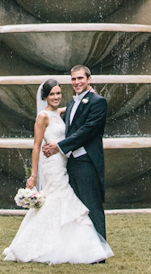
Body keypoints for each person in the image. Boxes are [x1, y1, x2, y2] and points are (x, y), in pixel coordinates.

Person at [4, 76, 112, 264]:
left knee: (60, 201)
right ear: (45, 97)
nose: (56, 97)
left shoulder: (59, 112)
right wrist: (34, 174)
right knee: (59, 199)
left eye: (58, 93)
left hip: (64, 162)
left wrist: (90, 95)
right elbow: (36, 146)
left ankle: (68, 243)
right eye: (52, 94)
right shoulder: (43, 116)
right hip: (52, 165)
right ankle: (42, 244)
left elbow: (74, 108)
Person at [42, 65, 109, 241]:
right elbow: (66, 124)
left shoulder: (98, 102)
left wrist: (59, 146)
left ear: (89, 79)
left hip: (87, 162)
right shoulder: (71, 104)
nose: (77, 82)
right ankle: (83, 247)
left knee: (92, 206)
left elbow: (87, 130)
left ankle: (100, 248)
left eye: (80, 78)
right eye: (74, 79)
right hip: (69, 162)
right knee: (76, 206)